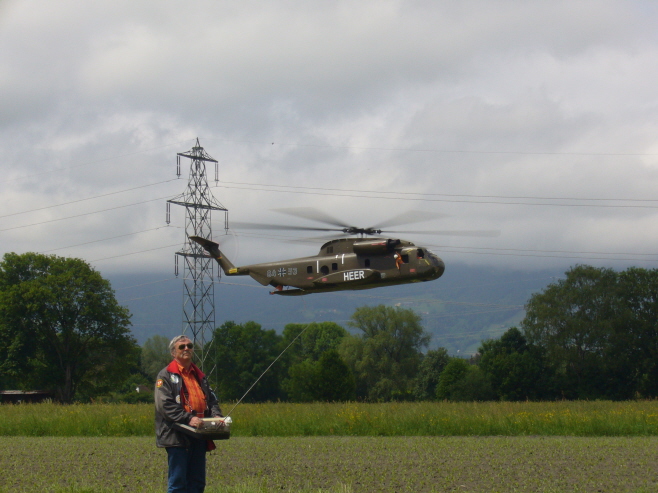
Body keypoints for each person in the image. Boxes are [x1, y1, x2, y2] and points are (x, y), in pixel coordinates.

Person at [155, 335, 223, 493]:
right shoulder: (165, 376)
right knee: (178, 483)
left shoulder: (200, 375)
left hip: (199, 434)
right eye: (182, 347)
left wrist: (216, 416)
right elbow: (165, 405)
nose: (187, 348)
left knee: (197, 483)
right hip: (176, 435)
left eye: (189, 346)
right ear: (173, 352)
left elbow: (212, 401)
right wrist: (189, 418)